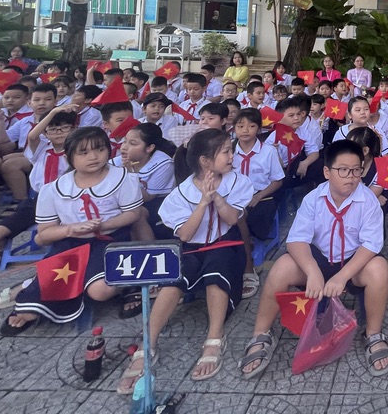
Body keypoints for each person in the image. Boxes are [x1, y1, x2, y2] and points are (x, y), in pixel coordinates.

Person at [239, 141, 388, 379]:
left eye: (356, 170)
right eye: (343, 170)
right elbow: (296, 239)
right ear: (327, 172)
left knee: (379, 268)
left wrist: (342, 277)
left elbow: (371, 245)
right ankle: (261, 335)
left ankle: (373, 334)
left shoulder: (369, 201)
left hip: (352, 264)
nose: (351, 177)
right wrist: (312, 271)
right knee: (281, 267)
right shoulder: (313, 199)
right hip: (320, 259)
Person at [118, 128, 254, 393]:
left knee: (217, 274)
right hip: (191, 248)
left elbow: (232, 219)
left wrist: (216, 197)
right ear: (205, 161)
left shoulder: (238, 181)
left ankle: (214, 337)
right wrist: (202, 203)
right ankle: (148, 344)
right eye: (226, 151)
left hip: (226, 244)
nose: (232, 156)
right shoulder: (181, 193)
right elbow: (186, 235)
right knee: (173, 281)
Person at [3, 126, 143, 335]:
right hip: (70, 243)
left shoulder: (122, 178)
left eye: (100, 149)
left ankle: (129, 285)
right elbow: (45, 234)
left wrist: (104, 225)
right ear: (68, 157)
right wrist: (71, 229)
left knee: (100, 291)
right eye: (83, 152)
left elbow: (133, 214)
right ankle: (37, 296)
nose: (93, 157)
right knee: (55, 280)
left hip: (111, 240)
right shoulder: (53, 189)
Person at [0, 108, 76, 274]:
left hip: (68, 201)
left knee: (50, 236)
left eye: (64, 128)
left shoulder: (77, 150)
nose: (58, 132)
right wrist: (52, 112)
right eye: (52, 129)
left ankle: (61, 256)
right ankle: (1, 249)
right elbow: (32, 136)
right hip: (38, 202)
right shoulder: (41, 148)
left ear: (73, 129)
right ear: (44, 132)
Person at [231, 108, 284, 298]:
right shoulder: (228, 150)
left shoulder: (268, 151)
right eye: (240, 126)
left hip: (261, 196)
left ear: (259, 129)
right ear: (234, 128)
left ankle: (248, 261)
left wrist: (259, 196)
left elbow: (277, 181)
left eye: (251, 126)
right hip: (233, 197)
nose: (245, 130)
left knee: (252, 213)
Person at [119, 122, 176, 238]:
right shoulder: (116, 162)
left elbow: (148, 197)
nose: (124, 147)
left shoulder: (164, 164)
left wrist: (129, 173)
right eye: (124, 141)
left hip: (156, 203)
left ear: (149, 148)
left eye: (132, 143)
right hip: (125, 201)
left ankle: (148, 246)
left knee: (136, 213)